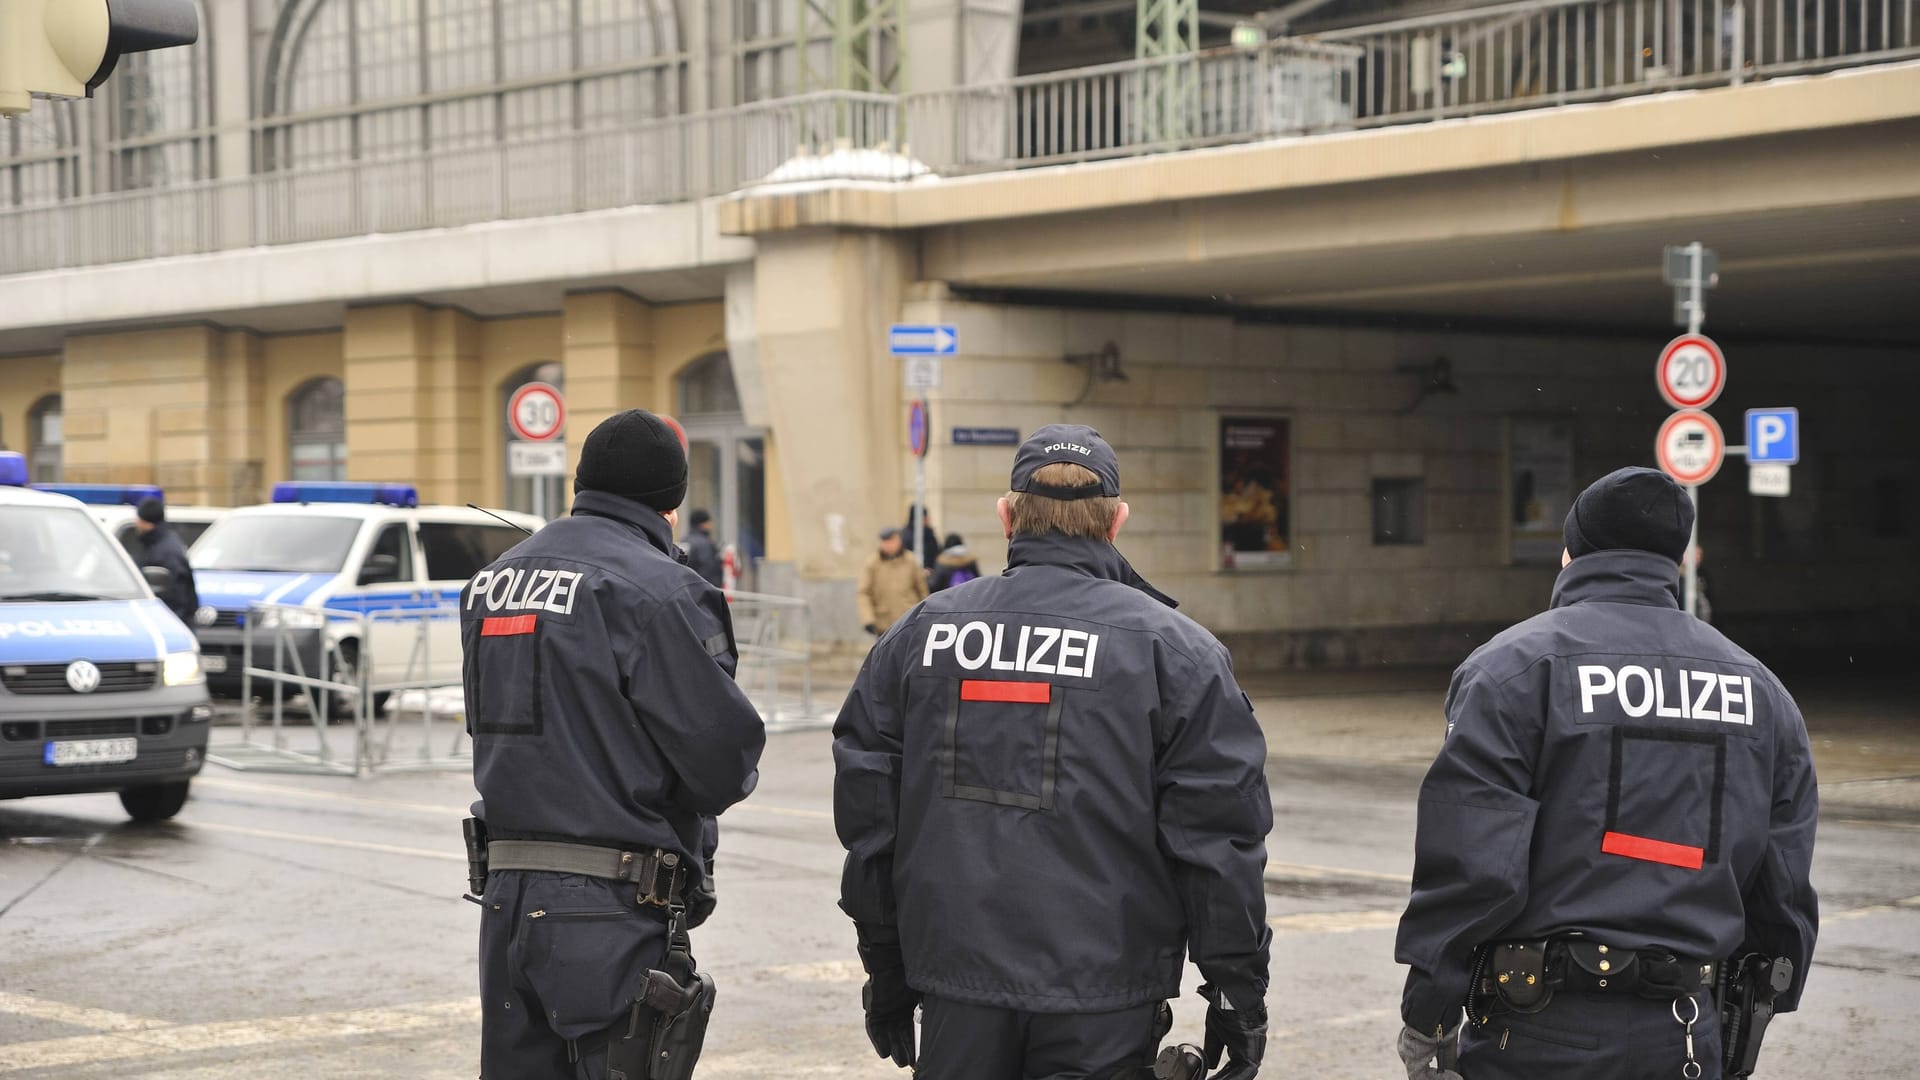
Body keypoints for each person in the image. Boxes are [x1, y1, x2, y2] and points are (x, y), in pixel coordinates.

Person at [835, 425, 1273, 1080]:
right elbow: (1217, 846)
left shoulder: (920, 636)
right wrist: (1236, 994)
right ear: (1116, 521)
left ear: (1008, 516)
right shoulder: (1176, 654)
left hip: (958, 987)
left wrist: (887, 969)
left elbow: (872, 822)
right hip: (1104, 995)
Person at [1394, 467, 1818, 1080]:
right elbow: (1783, 885)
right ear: (1677, 559)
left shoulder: (1514, 670)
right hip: (1687, 1029)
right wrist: (1753, 1006)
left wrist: (1429, 1014)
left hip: (1536, 1026)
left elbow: (1472, 865)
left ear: (1571, 554)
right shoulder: (1761, 691)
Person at [462, 408, 767, 1080]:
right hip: (610, 906)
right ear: (673, 500)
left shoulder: (491, 583)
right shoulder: (661, 590)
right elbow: (722, 760)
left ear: (582, 480)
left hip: (507, 898)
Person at [134, 497, 198, 624]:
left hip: (169, 621)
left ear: (147, 522)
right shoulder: (152, 543)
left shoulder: (167, 551)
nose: (137, 523)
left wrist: (171, 624)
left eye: (139, 519)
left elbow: (178, 597)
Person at [856, 526, 927, 639]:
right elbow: (864, 592)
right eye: (885, 542)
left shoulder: (910, 560)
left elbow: (922, 589)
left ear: (899, 540)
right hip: (884, 623)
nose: (888, 545)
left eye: (891, 541)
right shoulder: (873, 563)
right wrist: (868, 619)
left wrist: (925, 614)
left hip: (908, 620)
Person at [684, 508, 725, 589]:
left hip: (686, 590)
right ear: (703, 524)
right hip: (702, 592)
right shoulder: (706, 544)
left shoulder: (684, 541)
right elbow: (709, 570)